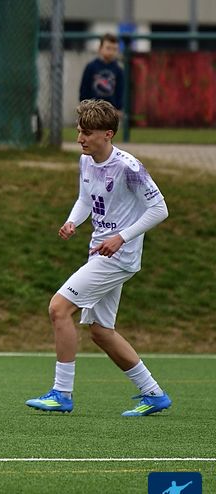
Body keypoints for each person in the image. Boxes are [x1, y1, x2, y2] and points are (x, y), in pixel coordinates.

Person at [25, 99, 171, 418]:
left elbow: (160, 209)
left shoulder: (129, 167)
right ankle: (154, 393)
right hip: (99, 251)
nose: (80, 138)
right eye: (79, 131)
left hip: (119, 256)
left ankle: (61, 393)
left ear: (108, 134)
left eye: (87, 133)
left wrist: (122, 237)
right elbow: (85, 199)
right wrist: (72, 222)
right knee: (101, 332)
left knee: (58, 308)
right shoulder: (86, 160)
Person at [79, 33, 124, 112]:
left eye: (114, 49)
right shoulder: (91, 67)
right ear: (100, 48)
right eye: (108, 48)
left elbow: (120, 91)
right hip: (92, 110)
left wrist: (119, 108)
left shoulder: (118, 70)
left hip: (111, 111)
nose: (111, 52)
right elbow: (84, 89)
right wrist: (85, 107)